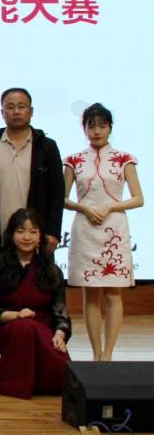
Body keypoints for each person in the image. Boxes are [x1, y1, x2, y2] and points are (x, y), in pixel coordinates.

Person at [63, 102, 144, 361]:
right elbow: (62, 198)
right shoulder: (73, 161)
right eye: (91, 126)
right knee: (90, 294)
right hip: (85, 229)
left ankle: (107, 355)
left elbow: (138, 198)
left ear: (110, 128)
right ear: (84, 129)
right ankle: (95, 353)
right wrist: (83, 208)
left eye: (102, 126)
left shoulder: (124, 159)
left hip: (114, 229)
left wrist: (110, 206)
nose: (97, 131)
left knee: (113, 293)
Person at [0, 208, 71, 399]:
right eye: (21, 231)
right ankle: (15, 383)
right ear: (11, 234)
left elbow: (61, 312)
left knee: (63, 374)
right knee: (25, 327)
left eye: (33, 232)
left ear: (40, 236)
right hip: (10, 328)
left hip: (44, 330)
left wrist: (60, 334)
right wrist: (16, 315)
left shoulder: (52, 270)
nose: (26, 237)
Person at [0, 87, 64, 252]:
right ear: (2, 113)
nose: (16, 112)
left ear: (31, 111)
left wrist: (53, 232)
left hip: (37, 236)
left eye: (21, 106)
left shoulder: (46, 146)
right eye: (10, 107)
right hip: (1, 234)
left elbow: (56, 193)